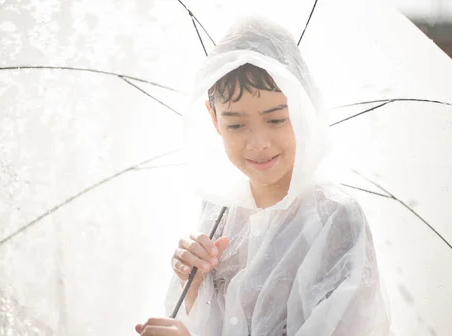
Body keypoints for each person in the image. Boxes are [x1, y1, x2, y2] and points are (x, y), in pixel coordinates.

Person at [135, 17, 391, 336]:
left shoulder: (332, 218)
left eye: (276, 120)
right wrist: (193, 284)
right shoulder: (218, 210)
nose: (258, 145)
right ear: (214, 119)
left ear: (302, 109)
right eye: (237, 125)